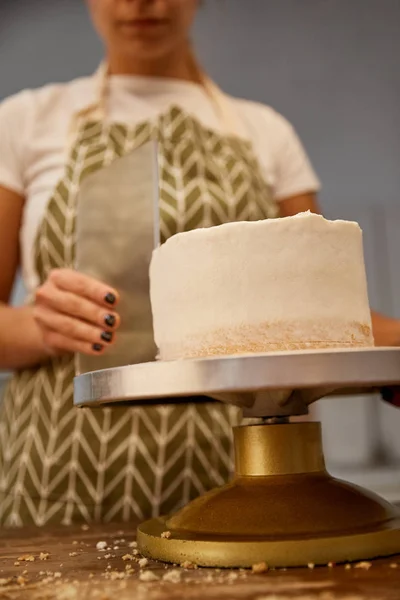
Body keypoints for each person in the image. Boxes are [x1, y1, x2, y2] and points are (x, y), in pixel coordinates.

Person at [0, 0, 398, 528]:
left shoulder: (265, 131)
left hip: (247, 477)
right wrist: (41, 327)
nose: (142, 3)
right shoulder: (25, 122)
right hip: (59, 481)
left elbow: (323, 312)